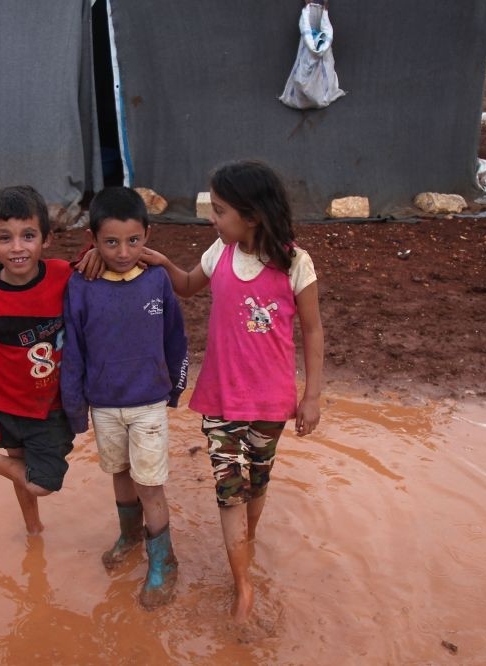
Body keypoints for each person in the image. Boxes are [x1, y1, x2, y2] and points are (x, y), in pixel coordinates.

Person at [142, 159, 324, 623]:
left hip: (271, 402)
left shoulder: (295, 263)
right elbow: (185, 287)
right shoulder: (218, 253)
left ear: (253, 214)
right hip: (221, 400)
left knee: (256, 484)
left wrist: (312, 396)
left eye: (220, 211)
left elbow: (312, 330)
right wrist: (162, 263)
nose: (212, 219)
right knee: (230, 491)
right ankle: (243, 587)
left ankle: (247, 542)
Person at [60, 186, 189, 609]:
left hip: (148, 403)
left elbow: (176, 337)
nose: (122, 251)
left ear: (147, 234)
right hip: (104, 405)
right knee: (118, 472)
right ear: (93, 240)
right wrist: (77, 406)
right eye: (111, 242)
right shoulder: (82, 285)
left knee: (150, 485)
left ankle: (162, 562)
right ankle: (129, 535)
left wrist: (174, 387)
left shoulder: (156, 281)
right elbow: (74, 347)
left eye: (133, 241)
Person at [0, 186, 76, 536]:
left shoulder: (64, 275)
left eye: (28, 236)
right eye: (5, 238)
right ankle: (33, 529)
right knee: (19, 468)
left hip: (51, 408)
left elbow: (101, 261)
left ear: (46, 239)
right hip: (7, 407)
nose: (18, 247)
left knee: (43, 482)